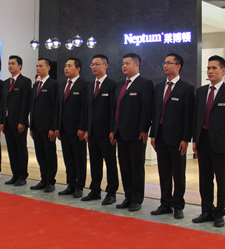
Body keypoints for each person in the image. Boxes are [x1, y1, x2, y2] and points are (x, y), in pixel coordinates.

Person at [192, 55, 225, 228]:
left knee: (221, 179)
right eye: (208, 68)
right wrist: (195, 140)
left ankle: (219, 213)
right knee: (205, 179)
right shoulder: (201, 91)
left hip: (221, 143)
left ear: (223, 70)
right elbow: (197, 118)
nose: (210, 71)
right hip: (203, 141)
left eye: (214, 68)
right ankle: (206, 210)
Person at [149, 53, 195, 219]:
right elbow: (155, 112)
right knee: (164, 172)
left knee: (178, 173)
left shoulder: (187, 87)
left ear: (178, 66)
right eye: (164, 62)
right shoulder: (159, 86)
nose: (165, 65)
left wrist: (186, 138)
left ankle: (178, 205)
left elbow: (189, 116)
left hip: (177, 138)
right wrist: (153, 134)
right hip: (160, 136)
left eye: (169, 63)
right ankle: (165, 203)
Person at [110, 53, 153, 212]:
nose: (124, 66)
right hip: (121, 133)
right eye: (123, 63)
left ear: (137, 64)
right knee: (125, 167)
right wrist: (113, 129)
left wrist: (144, 129)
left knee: (136, 168)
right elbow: (115, 109)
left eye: (127, 63)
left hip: (136, 134)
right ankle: (128, 197)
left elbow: (146, 108)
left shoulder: (145, 83)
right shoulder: (120, 84)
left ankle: (137, 199)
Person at [82, 54, 118, 205]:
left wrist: (113, 130)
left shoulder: (112, 85)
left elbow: (114, 110)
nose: (94, 67)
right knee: (95, 162)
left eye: (97, 64)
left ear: (106, 65)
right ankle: (95, 190)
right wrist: (86, 129)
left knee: (110, 163)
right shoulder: (90, 85)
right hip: (92, 132)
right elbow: (87, 109)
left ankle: (111, 192)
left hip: (106, 133)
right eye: (92, 65)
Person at [55, 58, 87, 198]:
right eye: (65, 66)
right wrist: (57, 126)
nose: (66, 68)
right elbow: (58, 108)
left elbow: (85, 108)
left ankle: (80, 186)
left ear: (78, 69)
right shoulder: (62, 85)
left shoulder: (84, 85)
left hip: (77, 130)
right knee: (68, 158)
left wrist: (82, 127)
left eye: (69, 66)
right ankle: (71, 184)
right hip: (63, 129)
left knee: (79, 158)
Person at [0, 55, 32, 186]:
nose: (10, 66)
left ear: (20, 66)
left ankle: (22, 176)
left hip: (18, 122)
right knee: (11, 149)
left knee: (20, 149)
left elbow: (26, 103)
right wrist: (2, 121)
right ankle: (15, 174)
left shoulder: (25, 81)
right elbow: (2, 104)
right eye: (9, 63)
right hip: (7, 122)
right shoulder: (5, 83)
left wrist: (22, 121)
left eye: (13, 63)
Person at [29, 58, 58, 193]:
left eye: (41, 66)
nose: (38, 68)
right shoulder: (36, 85)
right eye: (37, 66)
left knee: (49, 155)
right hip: (36, 127)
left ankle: (50, 181)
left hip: (47, 128)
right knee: (40, 154)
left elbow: (54, 107)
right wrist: (31, 126)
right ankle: (43, 179)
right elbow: (33, 107)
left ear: (48, 68)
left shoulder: (53, 84)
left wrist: (53, 127)